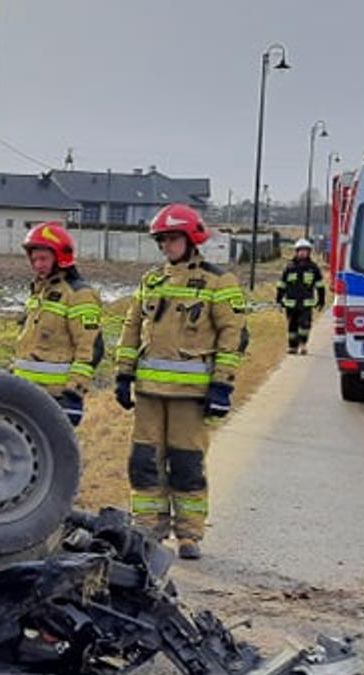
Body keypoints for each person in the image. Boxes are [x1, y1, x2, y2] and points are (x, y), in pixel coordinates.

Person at [113, 203, 245, 560]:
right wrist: (123, 373)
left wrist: (222, 385)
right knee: (144, 462)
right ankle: (148, 529)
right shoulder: (151, 281)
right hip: (149, 393)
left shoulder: (219, 282)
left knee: (186, 465)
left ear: (191, 239)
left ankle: (189, 535)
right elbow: (131, 328)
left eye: (172, 238)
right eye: (162, 240)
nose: (166, 246)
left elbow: (231, 335)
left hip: (191, 395)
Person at [10, 221, 102, 426]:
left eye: (43, 258)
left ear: (60, 257)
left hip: (56, 397)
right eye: (34, 259)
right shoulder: (39, 292)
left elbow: (90, 347)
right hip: (24, 392)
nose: (38, 265)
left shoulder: (79, 295)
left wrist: (74, 392)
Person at [276, 238, 326, 354]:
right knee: (292, 327)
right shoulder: (289, 268)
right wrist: (279, 299)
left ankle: (303, 344)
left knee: (305, 325)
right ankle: (292, 347)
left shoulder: (313, 268)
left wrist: (321, 300)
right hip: (291, 304)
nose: (303, 253)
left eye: (305, 251)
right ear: (296, 252)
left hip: (306, 304)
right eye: (301, 251)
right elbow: (281, 285)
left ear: (309, 252)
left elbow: (320, 285)